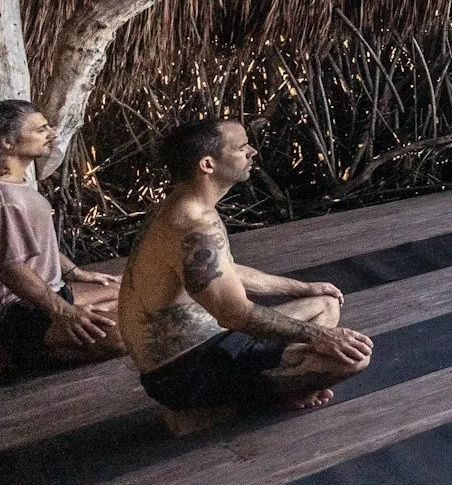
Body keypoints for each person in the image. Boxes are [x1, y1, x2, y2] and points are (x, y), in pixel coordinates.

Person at [118, 119, 373, 415]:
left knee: (325, 304)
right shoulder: (191, 226)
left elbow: (223, 270)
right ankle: (240, 403)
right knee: (353, 358)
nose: (252, 152)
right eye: (241, 147)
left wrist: (303, 287)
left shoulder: (184, 206)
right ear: (207, 165)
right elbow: (233, 312)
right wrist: (318, 336)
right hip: (187, 372)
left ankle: (281, 387)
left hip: (217, 340)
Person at [0, 101, 121, 372]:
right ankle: (17, 354)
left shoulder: (18, 184)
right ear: (8, 142)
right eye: (41, 129)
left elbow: (36, 246)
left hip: (51, 291)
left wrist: (77, 273)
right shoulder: (5, 200)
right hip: (20, 309)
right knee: (122, 336)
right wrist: (64, 312)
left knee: (132, 292)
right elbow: (10, 269)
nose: (52, 133)